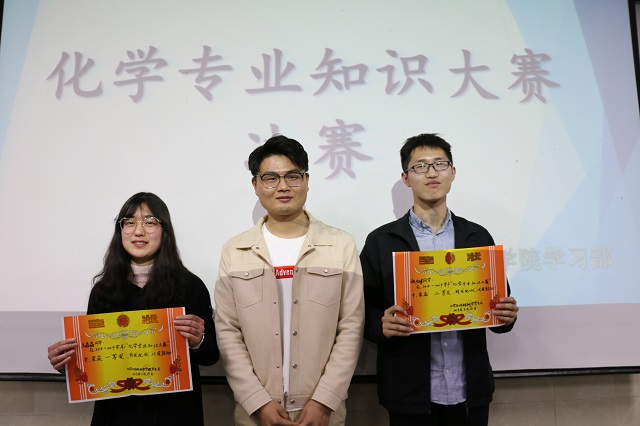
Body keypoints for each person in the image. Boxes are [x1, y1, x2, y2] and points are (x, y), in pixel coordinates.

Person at [361, 133, 519, 426]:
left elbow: (498, 310)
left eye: (440, 164)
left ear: (453, 172)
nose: (431, 173)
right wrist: (380, 325)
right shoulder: (381, 241)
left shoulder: (477, 236)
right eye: (420, 166)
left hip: (469, 391)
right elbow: (360, 309)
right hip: (409, 395)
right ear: (406, 178)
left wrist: (507, 315)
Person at [214, 135, 364, 426]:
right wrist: (257, 402)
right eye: (271, 178)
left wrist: (324, 401)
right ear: (255, 185)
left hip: (323, 414)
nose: (282, 186)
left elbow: (351, 327)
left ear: (307, 181)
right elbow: (227, 331)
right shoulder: (235, 250)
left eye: (292, 176)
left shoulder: (341, 245)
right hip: (256, 414)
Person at [47, 192, 219, 425]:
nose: (138, 231)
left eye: (150, 222)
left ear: (165, 230)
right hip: (117, 415)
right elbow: (94, 361)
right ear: (120, 231)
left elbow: (211, 356)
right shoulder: (104, 290)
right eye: (129, 222)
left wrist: (199, 341)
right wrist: (66, 361)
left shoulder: (190, 286)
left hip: (174, 414)